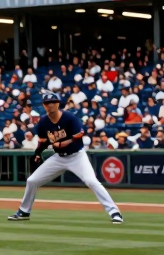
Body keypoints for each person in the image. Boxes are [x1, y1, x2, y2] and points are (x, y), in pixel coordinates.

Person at [8, 91, 122, 223]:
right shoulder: (44, 121)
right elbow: (43, 141)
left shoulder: (69, 117)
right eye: (47, 103)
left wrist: (62, 143)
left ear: (58, 104)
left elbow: (79, 136)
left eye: (53, 102)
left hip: (77, 157)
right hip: (59, 158)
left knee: (91, 181)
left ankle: (114, 212)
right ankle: (24, 211)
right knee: (32, 181)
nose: (50, 105)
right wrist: (37, 153)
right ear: (44, 105)